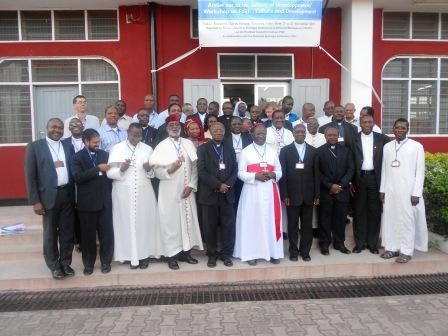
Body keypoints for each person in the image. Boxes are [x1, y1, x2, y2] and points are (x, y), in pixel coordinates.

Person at [149, 114, 203, 270]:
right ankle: (171, 256)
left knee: (187, 222)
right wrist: (170, 170)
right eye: (171, 125)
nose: (174, 127)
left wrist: (192, 185)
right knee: (170, 223)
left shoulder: (187, 143)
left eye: (177, 125)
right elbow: (156, 170)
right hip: (169, 191)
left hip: (187, 191)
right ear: (167, 128)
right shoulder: (161, 145)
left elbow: (194, 167)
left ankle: (186, 253)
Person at [25, 118, 75, 279]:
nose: (57, 130)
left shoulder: (68, 146)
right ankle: (54, 265)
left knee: (67, 232)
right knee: (50, 233)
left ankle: (66, 263)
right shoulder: (35, 147)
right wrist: (35, 201)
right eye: (54, 127)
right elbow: (30, 176)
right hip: (47, 197)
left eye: (60, 128)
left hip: (66, 194)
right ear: (47, 128)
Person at [107, 123, 160, 269]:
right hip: (123, 193)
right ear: (127, 132)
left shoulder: (148, 149)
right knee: (125, 224)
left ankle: (143, 256)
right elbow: (110, 173)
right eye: (134, 133)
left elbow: (153, 174)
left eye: (139, 134)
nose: (136, 136)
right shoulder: (117, 149)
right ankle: (128, 256)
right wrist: (121, 169)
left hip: (144, 193)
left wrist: (149, 169)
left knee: (144, 224)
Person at [233, 123, 283, 265]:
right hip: (252, 192)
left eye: (264, 134)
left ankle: (273, 252)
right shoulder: (245, 152)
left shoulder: (273, 150)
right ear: (252, 135)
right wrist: (255, 176)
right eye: (258, 134)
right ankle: (252, 254)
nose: (261, 136)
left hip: (270, 191)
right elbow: (240, 173)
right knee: (253, 222)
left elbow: (280, 171)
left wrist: (273, 174)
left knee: (270, 221)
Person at [379, 118, 427, 263]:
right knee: (390, 219)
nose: (399, 130)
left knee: (406, 220)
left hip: (408, 191)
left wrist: (416, 193)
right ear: (393, 129)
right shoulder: (387, 146)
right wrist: (382, 190)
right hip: (391, 190)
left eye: (403, 128)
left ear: (408, 129)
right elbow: (384, 170)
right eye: (397, 127)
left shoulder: (416, 146)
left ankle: (406, 251)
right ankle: (392, 248)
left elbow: (420, 171)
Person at [72, 128, 113, 275]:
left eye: (99, 142)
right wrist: (97, 169)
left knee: (106, 236)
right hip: (87, 205)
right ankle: (88, 264)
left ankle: (106, 262)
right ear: (86, 142)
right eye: (94, 142)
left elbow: (111, 175)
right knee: (88, 238)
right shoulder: (77, 157)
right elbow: (78, 177)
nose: (98, 144)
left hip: (104, 203)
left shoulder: (105, 155)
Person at [197, 122, 238, 268]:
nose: (219, 132)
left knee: (228, 226)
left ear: (225, 132)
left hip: (227, 193)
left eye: (221, 129)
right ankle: (212, 255)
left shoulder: (230, 149)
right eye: (216, 130)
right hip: (209, 194)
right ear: (211, 132)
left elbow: (235, 170)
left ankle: (226, 254)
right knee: (210, 227)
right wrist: (218, 185)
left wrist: (226, 185)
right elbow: (201, 171)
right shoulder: (203, 149)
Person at [279, 124, 320, 262]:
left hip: (309, 196)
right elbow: (283, 175)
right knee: (292, 225)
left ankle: (305, 251)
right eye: (297, 132)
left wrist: (317, 194)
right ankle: (293, 251)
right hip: (292, 196)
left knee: (307, 226)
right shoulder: (285, 151)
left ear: (305, 133)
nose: (300, 134)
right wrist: (284, 195)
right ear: (293, 134)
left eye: (302, 131)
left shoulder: (313, 151)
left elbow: (317, 175)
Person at [351, 114, 390, 254]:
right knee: (359, 211)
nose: (367, 124)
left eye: (370, 122)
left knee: (374, 211)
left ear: (374, 124)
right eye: (364, 122)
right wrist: (350, 181)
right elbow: (350, 162)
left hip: (375, 179)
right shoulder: (353, 139)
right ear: (360, 124)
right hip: (359, 179)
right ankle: (359, 243)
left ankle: (373, 243)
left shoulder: (383, 139)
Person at [316, 126, 354, 256]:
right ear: (325, 136)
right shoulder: (319, 151)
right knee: (324, 219)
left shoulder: (346, 150)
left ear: (338, 136)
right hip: (326, 191)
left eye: (335, 135)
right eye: (329, 135)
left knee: (340, 219)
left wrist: (341, 185)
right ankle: (324, 244)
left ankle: (339, 243)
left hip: (342, 191)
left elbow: (351, 169)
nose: (332, 137)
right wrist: (329, 185)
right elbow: (317, 172)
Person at [62, 118, 84, 253]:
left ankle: (84, 239)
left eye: (78, 124)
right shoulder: (64, 143)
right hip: (70, 182)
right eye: (72, 125)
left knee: (84, 211)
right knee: (73, 212)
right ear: (69, 128)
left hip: (86, 181)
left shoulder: (88, 140)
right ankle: (76, 240)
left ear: (83, 126)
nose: (75, 126)